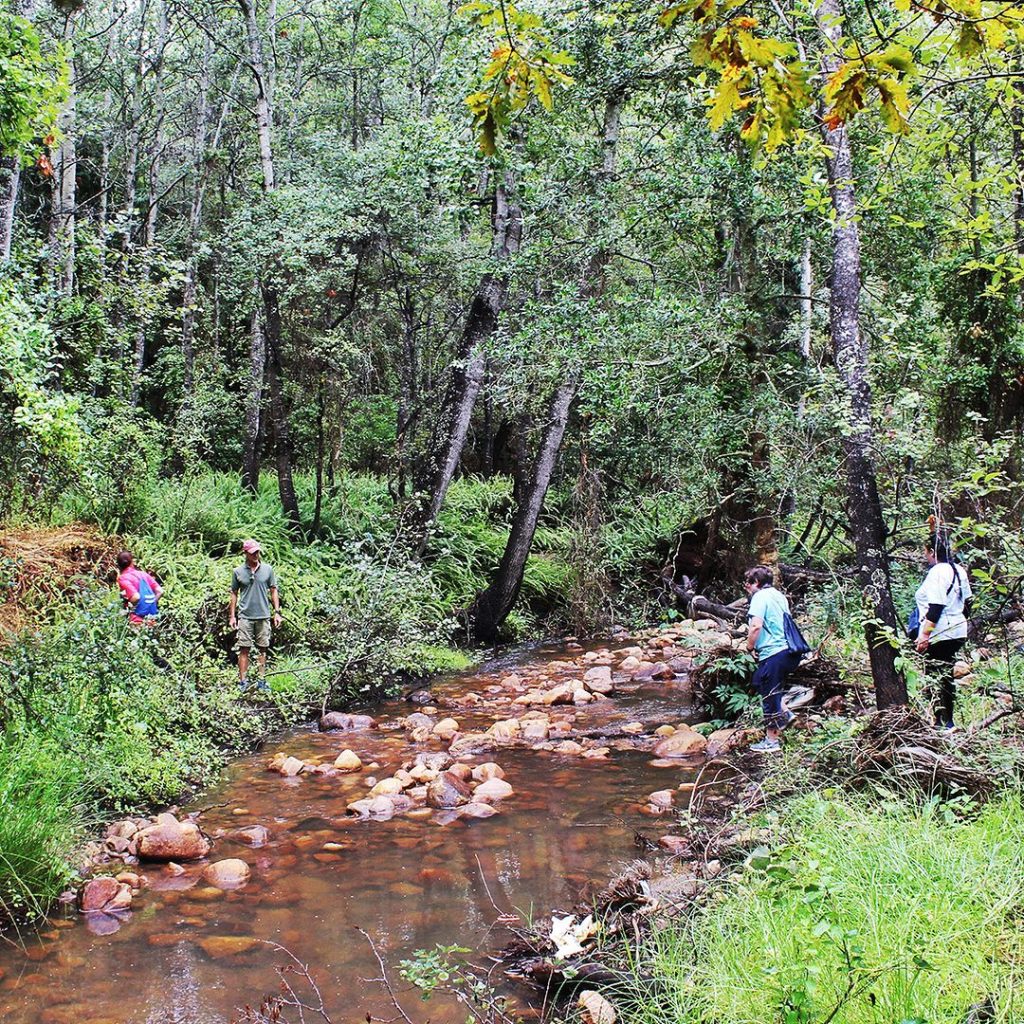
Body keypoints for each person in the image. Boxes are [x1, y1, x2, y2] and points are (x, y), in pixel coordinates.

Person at [914, 530, 972, 730]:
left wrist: (925, 634)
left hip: (940, 633)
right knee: (945, 675)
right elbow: (968, 603)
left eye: (925, 552)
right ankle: (947, 721)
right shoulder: (958, 570)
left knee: (935, 675)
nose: (925, 556)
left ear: (932, 551)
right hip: (957, 630)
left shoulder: (937, 572)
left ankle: (942, 722)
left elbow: (936, 606)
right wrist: (958, 621)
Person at [744, 565, 802, 753]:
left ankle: (772, 741)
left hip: (773, 652)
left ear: (756, 582)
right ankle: (787, 714)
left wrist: (749, 647)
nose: (746, 586)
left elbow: (756, 626)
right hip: (789, 652)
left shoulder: (760, 597)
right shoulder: (779, 596)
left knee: (769, 695)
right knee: (761, 682)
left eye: (748, 583)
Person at [228, 538, 282, 692]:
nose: (256, 555)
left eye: (257, 552)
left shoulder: (268, 570)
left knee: (262, 649)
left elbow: (273, 590)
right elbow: (234, 593)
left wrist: (277, 612)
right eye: (252, 553)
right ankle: (243, 682)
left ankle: (261, 680)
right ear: (245, 553)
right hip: (245, 616)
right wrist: (232, 616)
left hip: (263, 616)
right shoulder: (238, 571)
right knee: (244, 649)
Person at [116, 550, 162, 625]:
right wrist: (153, 602)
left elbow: (136, 597)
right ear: (132, 562)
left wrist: (128, 609)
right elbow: (160, 591)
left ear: (118, 565)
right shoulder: (143, 574)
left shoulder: (123, 578)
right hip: (152, 616)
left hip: (137, 618)